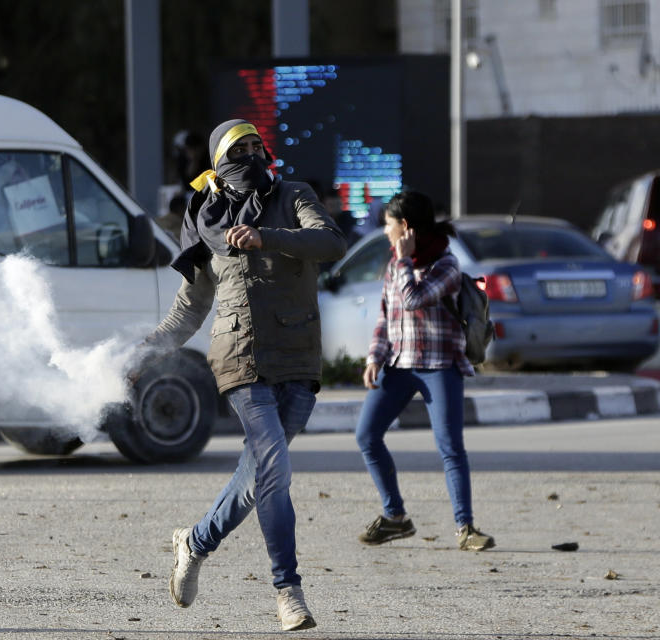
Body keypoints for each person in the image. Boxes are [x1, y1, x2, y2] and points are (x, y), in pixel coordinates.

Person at [139, 119, 347, 631]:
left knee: (257, 474)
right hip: (239, 356)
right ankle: (288, 591)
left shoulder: (293, 195)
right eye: (242, 148)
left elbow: (329, 242)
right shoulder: (204, 217)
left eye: (259, 145)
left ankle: (195, 541)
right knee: (274, 463)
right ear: (220, 162)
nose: (254, 154)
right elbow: (190, 308)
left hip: (298, 354)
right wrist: (146, 350)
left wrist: (266, 236)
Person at [354, 190, 495, 552]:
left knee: (450, 448)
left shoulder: (445, 266)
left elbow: (414, 298)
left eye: (388, 225)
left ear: (405, 227)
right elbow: (386, 317)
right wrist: (374, 358)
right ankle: (395, 517)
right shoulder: (393, 266)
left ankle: (466, 528)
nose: (384, 232)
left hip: (440, 366)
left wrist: (403, 261)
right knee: (367, 436)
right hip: (399, 364)